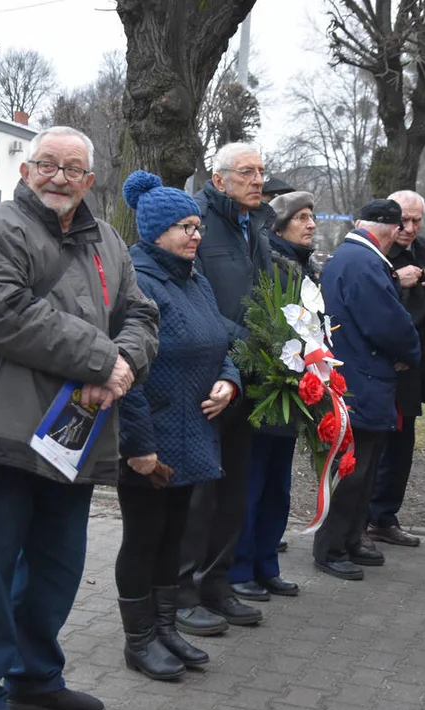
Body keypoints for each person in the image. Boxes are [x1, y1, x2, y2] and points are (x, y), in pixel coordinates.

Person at [0, 126, 160, 710]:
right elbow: (3, 314)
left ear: (90, 181)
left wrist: (124, 365)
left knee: (58, 568)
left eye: (73, 169)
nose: (59, 177)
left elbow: (141, 313)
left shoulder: (110, 244)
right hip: (8, 431)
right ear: (26, 171)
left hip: (80, 436)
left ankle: (36, 676)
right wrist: (104, 359)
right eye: (47, 164)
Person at [113, 170, 241, 681]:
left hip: (193, 436)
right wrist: (138, 446)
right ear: (154, 230)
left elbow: (222, 342)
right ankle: (139, 640)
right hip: (152, 440)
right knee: (144, 537)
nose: (195, 235)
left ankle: (167, 629)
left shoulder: (195, 279)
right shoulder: (139, 279)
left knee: (173, 538)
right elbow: (128, 372)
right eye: (184, 227)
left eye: (197, 226)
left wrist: (228, 382)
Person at [177, 142, 275, 634]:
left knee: (235, 486)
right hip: (204, 374)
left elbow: (262, 294)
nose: (258, 180)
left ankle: (218, 585)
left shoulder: (255, 223)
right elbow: (193, 300)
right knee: (200, 492)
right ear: (219, 180)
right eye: (247, 172)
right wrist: (248, 342)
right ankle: (183, 593)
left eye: (261, 171)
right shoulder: (195, 222)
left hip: (247, 374)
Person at [314, 199, 421, 580]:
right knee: (353, 469)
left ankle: (352, 537)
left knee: (366, 465)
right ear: (390, 229)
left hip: (363, 375)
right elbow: (388, 323)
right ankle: (332, 546)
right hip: (362, 378)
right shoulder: (363, 262)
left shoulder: (354, 257)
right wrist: (411, 350)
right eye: (400, 227)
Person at [229, 191, 316, 602]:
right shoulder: (271, 265)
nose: (311, 224)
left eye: (312, 216)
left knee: (278, 487)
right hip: (266, 388)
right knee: (253, 483)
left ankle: (267, 563)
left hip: (295, 387)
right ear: (279, 227)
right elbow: (260, 320)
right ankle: (241, 567)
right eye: (301, 217)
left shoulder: (304, 267)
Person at [367, 190, 425, 547]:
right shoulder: (373, 249)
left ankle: (384, 516)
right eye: (402, 220)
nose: (408, 228)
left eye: (415, 221)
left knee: (401, 446)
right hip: (377, 362)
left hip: (414, 364)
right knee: (369, 445)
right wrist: (395, 280)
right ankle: (357, 517)